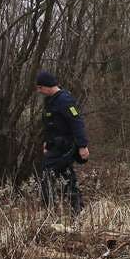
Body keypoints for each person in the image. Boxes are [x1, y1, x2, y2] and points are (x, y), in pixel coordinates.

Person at [36, 70, 89, 213]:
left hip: (66, 146)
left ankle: (48, 212)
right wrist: (47, 143)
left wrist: (83, 146)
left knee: (47, 173)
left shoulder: (64, 100)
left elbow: (76, 122)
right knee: (66, 174)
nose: (39, 91)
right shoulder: (50, 101)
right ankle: (78, 211)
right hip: (55, 145)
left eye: (40, 87)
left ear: (47, 86)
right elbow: (50, 125)